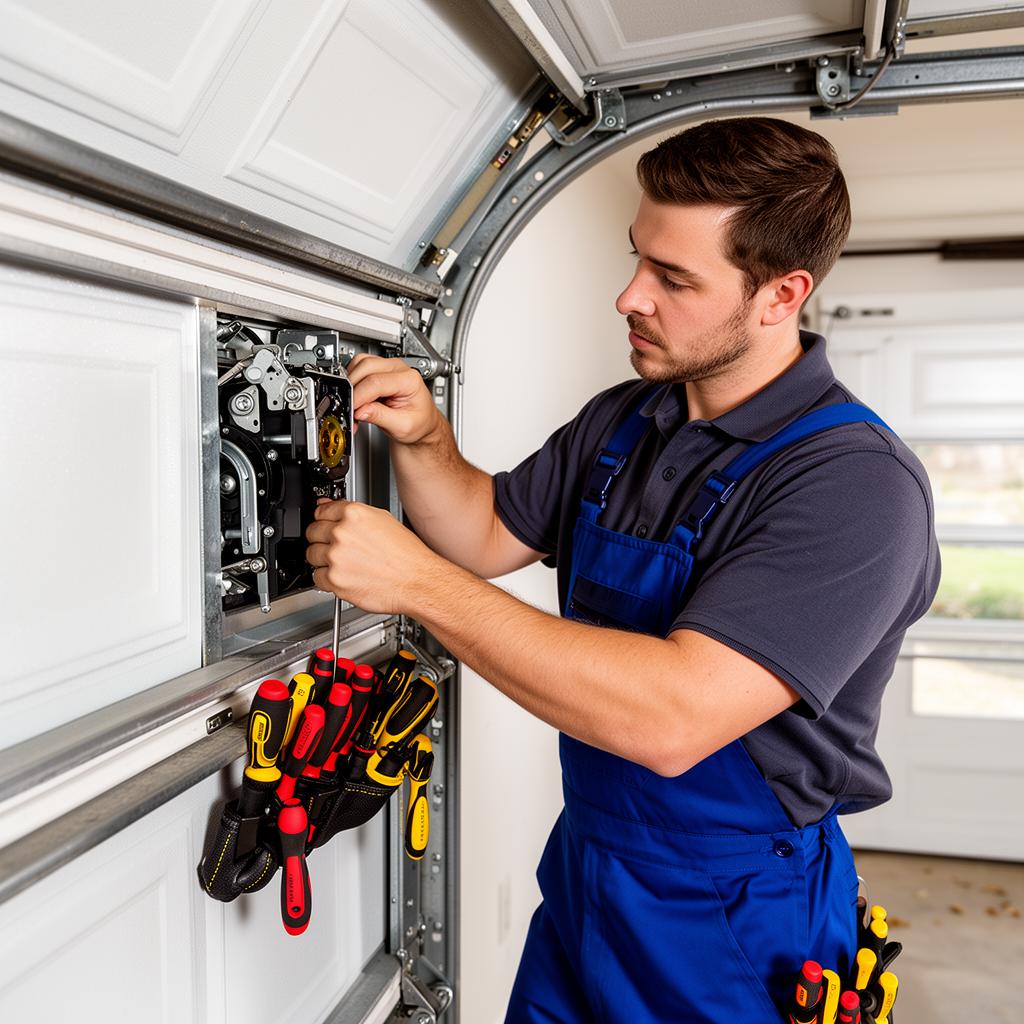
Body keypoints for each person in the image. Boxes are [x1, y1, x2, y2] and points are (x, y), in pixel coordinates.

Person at [305, 117, 940, 1023]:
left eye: (674, 279)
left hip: (733, 915)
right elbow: (486, 533)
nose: (629, 297)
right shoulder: (627, 419)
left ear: (780, 294)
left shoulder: (854, 486)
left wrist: (411, 583)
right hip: (589, 870)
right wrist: (425, 440)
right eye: (637, 258)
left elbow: (672, 717)